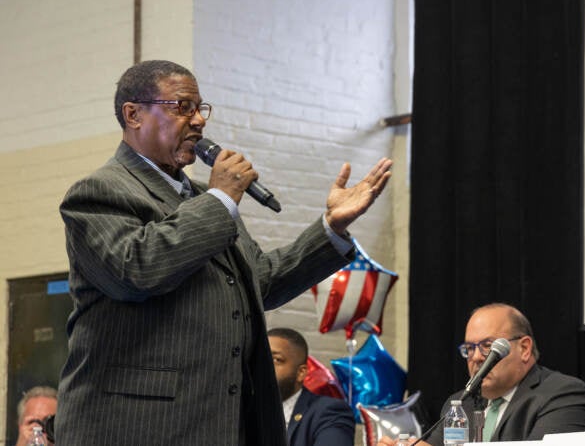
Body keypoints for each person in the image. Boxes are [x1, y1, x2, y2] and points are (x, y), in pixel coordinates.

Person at [55, 59, 392, 446]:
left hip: (220, 425)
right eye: (183, 106)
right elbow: (138, 269)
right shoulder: (99, 192)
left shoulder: (204, 201)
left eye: (201, 109)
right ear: (133, 114)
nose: (198, 120)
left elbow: (259, 282)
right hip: (136, 427)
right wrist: (221, 198)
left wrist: (331, 227)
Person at [378, 303, 585, 446]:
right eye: (470, 348)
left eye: (488, 346)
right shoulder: (460, 404)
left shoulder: (563, 395)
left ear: (525, 348)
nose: (476, 357)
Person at [268, 328, 355, 446]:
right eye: (260, 359)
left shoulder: (329, 412)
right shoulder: (242, 409)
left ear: (301, 373)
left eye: (276, 360)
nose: (264, 367)